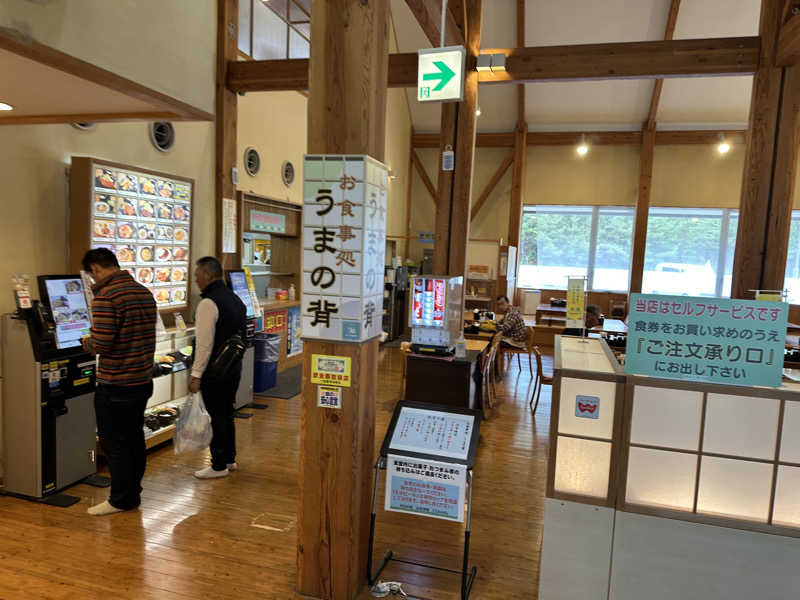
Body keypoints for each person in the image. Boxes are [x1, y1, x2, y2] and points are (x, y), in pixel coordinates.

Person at [80, 249, 157, 516]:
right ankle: (132, 492)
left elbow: (101, 343)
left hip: (115, 384)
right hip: (141, 380)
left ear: (95, 269)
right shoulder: (143, 292)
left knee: (115, 444)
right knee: (134, 439)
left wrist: (85, 342)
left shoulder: (106, 297)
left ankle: (120, 499)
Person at [189, 256, 247, 479]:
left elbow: (204, 344)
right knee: (226, 413)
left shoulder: (208, 303)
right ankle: (229, 459)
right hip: (233, 367)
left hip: (214, 371)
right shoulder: (234, 299)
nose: (195, 280)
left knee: (216, 416)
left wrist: (196, 375)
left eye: (196, 275)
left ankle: (218, 465)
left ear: (207, 274)